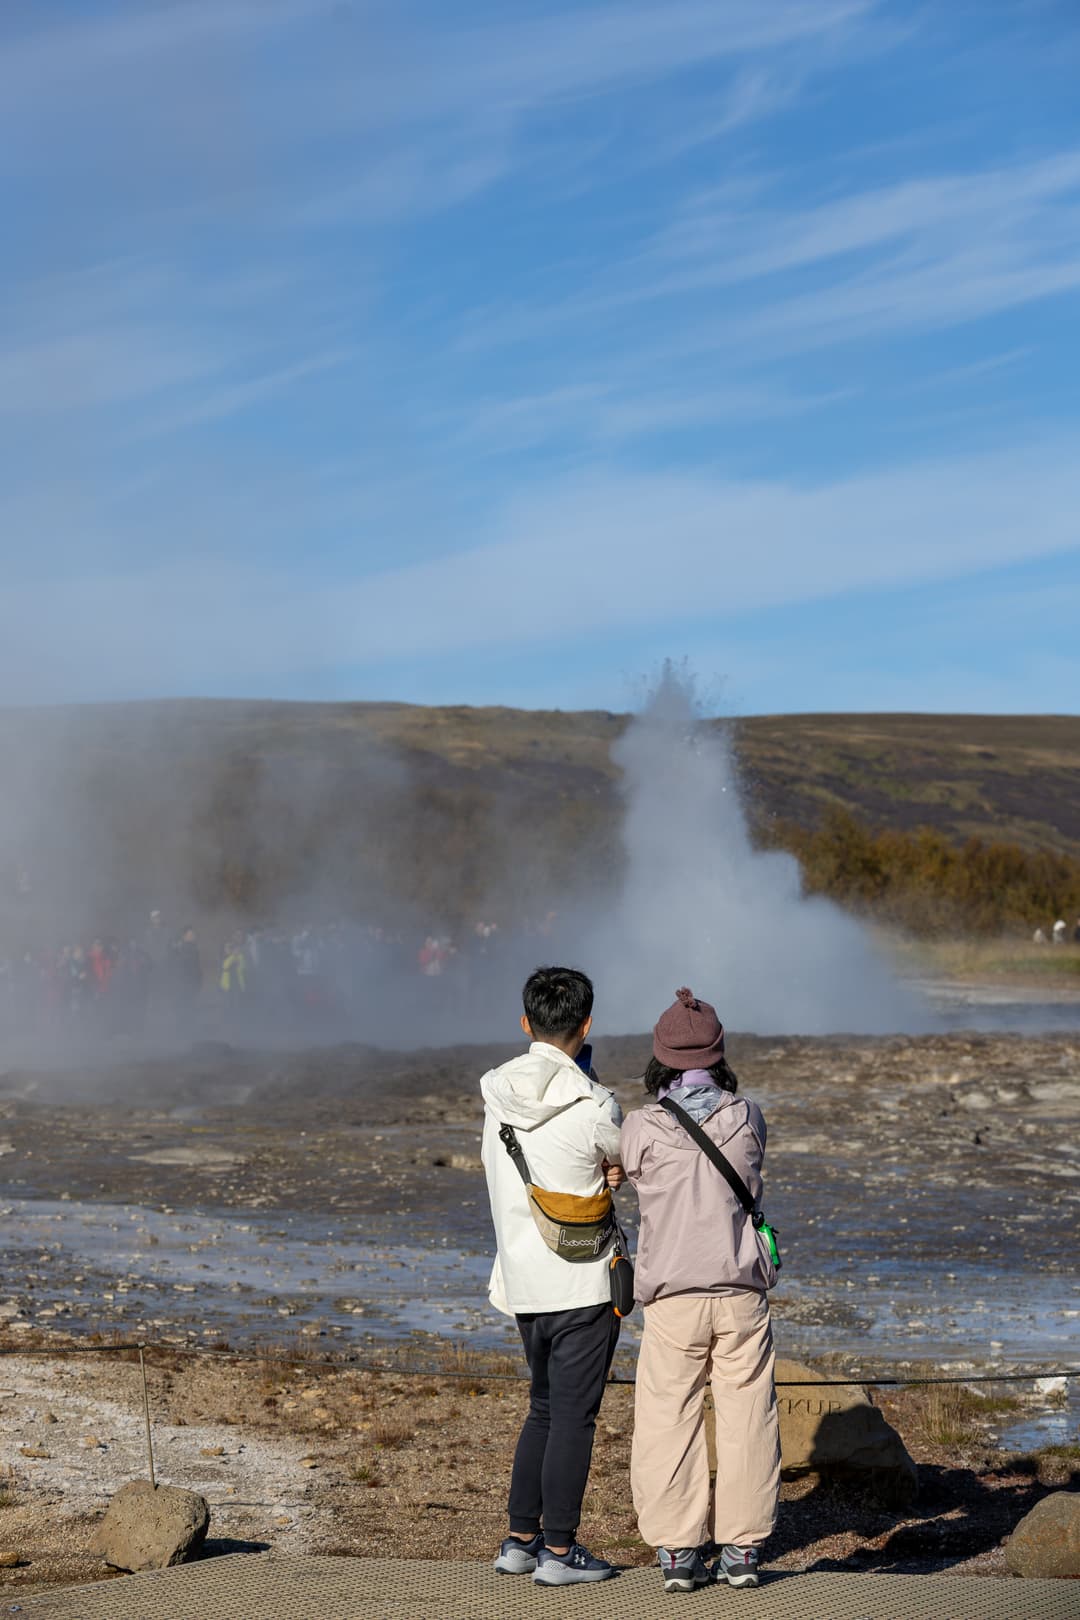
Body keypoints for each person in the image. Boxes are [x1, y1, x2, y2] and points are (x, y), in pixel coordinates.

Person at [621, 988, 780, 1595]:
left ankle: (679, 1552)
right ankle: (742, 1550)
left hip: (672, 1299)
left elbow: (625, 1172)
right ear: (718, 1054)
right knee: (748, 1418)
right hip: (741, 1295)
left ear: (660, 1056)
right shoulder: (748, 1117)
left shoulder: (641, 1127)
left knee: (668, 1417)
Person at [481, 966, 624, 1588]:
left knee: (541, 1408)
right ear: (586, 1025)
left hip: (522, 1279)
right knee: (573, 1417)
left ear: (525, 1023)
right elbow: (618, 1160)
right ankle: (560, 1553)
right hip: (583, 1282)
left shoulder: (496, 1095)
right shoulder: (597, 1104)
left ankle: (520, 1541)